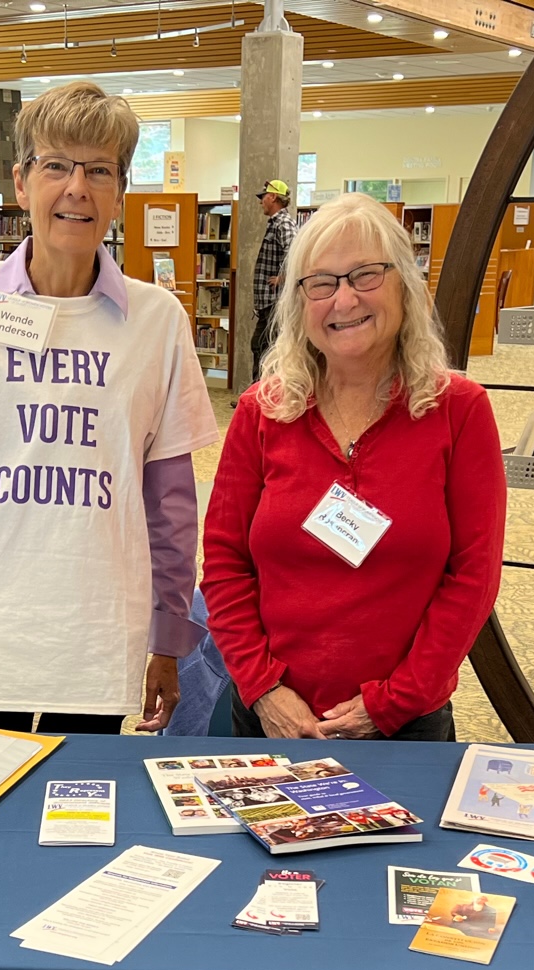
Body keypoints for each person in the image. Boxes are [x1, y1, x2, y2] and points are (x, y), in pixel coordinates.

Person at [0, 80, 220, 735]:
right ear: (20, 180)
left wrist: (170, 638)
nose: (77, 188)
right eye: (56, 165)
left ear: (121, 190)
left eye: (99, 170)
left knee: (76, 818)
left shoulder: (157, 321)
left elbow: (171, 505)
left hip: (97, 630)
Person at [201, 192, 505, 743]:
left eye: (365, 275)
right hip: (271, 721)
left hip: (405, 728)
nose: (343, 300)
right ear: (299, 303)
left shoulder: (459, 411)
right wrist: (263, 688)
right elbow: (224, 564)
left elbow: (473, 579)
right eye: (321, 283)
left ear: (404, 287)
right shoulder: (261, 412)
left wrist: (391, 703)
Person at [249, 179, 299, 383]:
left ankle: (260, 396)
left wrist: (284, 277)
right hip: (268, 302)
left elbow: (295, 249)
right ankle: (257, 394)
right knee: (261, 346)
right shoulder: (276, 223)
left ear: (273, 197)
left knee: (265, 348)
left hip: (274, 302)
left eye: (263, 197)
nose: (261, 201)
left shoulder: (283, 223)